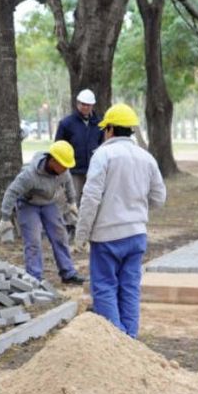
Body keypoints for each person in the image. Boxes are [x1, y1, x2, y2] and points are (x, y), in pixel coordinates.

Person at [76, 103, 167, 337]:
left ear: (110, 130)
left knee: (105, 288)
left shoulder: (103, 155)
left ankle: (117, 344)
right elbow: (159, 197)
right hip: (136, 236)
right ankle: (130, 342)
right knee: (130, 289)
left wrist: (81, 235)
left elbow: (90, 198)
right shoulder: (146, 158)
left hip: (107, 237)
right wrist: (136, 211)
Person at [0, 141, 85, 284]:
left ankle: (68, 273)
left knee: (60, 236)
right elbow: (11, 192)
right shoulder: (29, 175)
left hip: (49, 203)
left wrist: (72, 202)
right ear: (53, 161)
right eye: (63, 165)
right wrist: (5, 217)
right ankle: (34, 277)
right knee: (33, 241)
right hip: (28, 204)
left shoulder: (63, 170)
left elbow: (68, 184)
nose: (66, 169)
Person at [55, 89, 103, 202]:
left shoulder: (99, 124)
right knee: (73, 200)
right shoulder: (66, 123)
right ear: (77, 104)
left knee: (92, 200)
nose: (85, 107)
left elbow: (102, 145)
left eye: (88, 105)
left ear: (93, 105)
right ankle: (74, 220)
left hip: (93, 171)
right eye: (83, 104)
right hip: (74, 171)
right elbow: (58, 146)